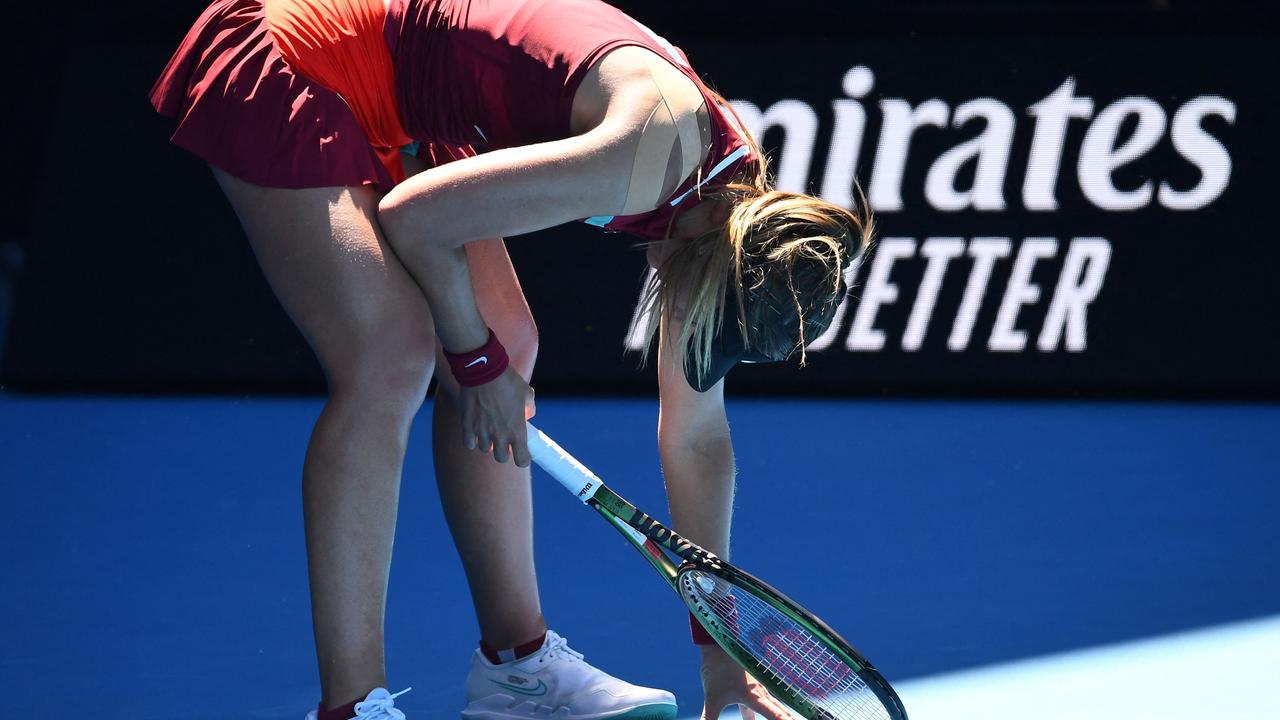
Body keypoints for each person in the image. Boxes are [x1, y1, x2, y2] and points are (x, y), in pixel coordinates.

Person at [150, 1, 871, 719]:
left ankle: (516, 670)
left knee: (508, 339)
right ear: (714, 257)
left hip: (409, 104)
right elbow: (415, 217)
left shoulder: (728, 214)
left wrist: (723, 665)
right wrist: (476, 362)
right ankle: (350, 707)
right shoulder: (645, 159)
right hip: (304, 55)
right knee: (390, 358)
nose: (685, 330)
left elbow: (697, 438)